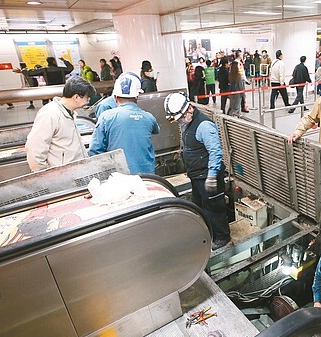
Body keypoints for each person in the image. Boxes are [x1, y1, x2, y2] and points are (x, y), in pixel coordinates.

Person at [164, 92, 231, 250]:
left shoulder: (204, 126)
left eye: (180, 117)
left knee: (214, 206)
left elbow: (215, 152)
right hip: (196, 175)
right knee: (201, 206)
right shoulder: (186, 123)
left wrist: (212, 176)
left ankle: (222, 237)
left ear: (189, 109)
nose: (179, 121)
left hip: (207, 176)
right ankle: (210, 233)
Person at [89, 73, 160, 174]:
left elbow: (95, 150)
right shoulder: (148, 117)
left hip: (119, 178)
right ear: (137, 96)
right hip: (147, 176)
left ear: (116, 97)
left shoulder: (106, 117)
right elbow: (156, 130)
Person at [25, 76, 95, 171]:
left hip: (75, 171)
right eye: (87, 97)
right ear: (76, 97)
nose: (88, 101)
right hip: (61, 176)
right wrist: (45, 176)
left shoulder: (70, 112)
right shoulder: (50, 113)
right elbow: (35, 149)